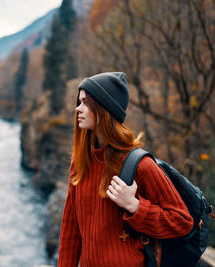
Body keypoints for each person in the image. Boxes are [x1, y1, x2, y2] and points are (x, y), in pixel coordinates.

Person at [57, 72, 193, 266]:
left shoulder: (140, 165)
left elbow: (182, 221)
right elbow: (70, 229)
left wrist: (135, 206)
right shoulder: (80, 161)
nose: (78, 109)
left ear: (104, 108)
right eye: (79, 102)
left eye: (86, 102)